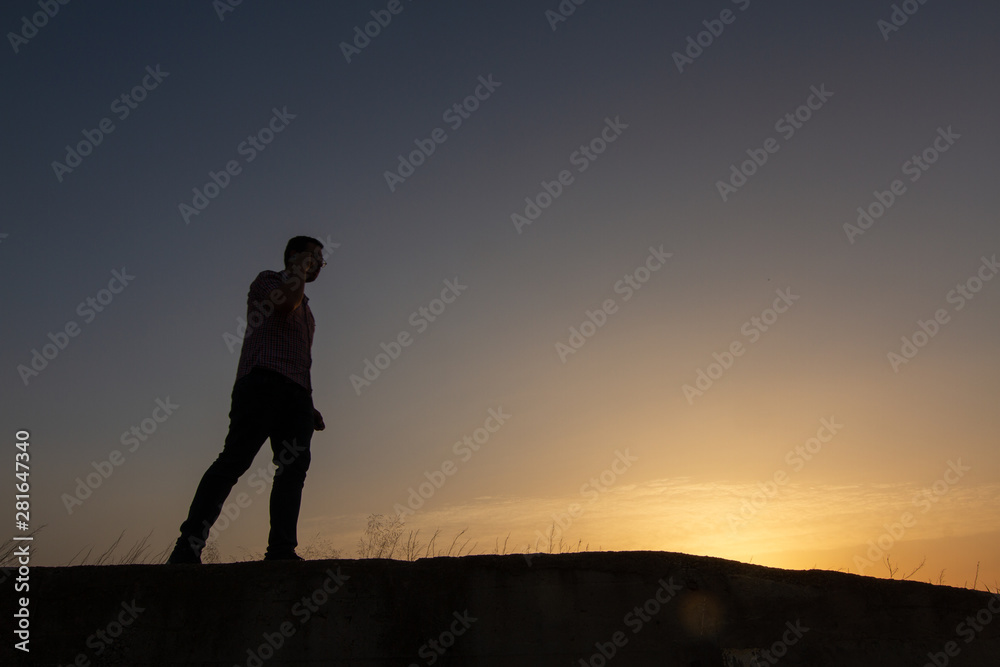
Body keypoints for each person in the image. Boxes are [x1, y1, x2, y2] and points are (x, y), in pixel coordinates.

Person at [167, 236, 327, 563]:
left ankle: (282, 551)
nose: (319, 266)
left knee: (293, 470)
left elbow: (301, 360)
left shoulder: (309, 313)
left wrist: (307, 405)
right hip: (261, 384)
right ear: (296, 256)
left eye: (321, 262)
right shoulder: (268, 280)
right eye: (315, 258)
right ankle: (187, 548)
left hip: (296, 396)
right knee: (234, 462)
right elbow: (284, 304)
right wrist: (299, 268)